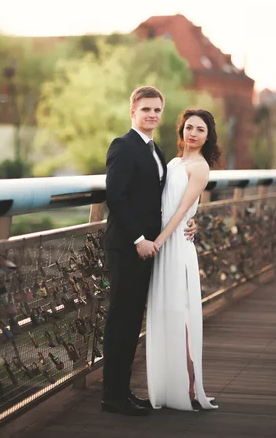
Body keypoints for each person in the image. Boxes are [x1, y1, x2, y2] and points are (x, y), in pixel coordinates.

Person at [102, 86, 196, 416]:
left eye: (157, 110)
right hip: (128, 247)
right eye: (146, 110)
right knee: (120, 321)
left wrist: (188, 221)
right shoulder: (123, 146)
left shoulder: (156, 150)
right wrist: (138, 239)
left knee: (131, 323)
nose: (152, 115)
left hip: (148, 248)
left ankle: (122, 391)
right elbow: (115, 196)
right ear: (133, 112)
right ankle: (112, 396)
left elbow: (163, 199)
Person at [146, 109, 221, 411]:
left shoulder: (200, 167)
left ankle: (190, 383)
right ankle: (168, 382)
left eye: (200, 129)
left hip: (175, 244)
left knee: (183, 312)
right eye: (189, 127)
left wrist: (160, 241)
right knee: (166, 310)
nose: (193, 133)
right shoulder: (175, 162)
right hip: (165, 239)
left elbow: (181, 211)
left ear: (208, 135)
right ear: (182, 131)